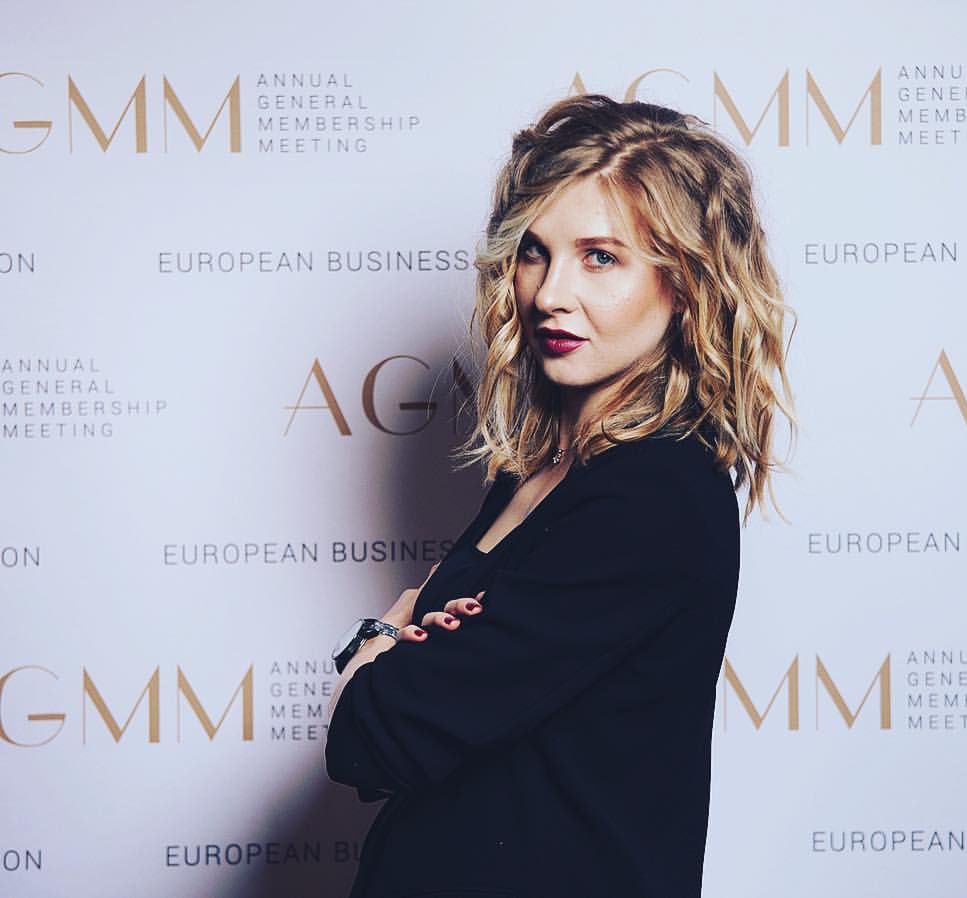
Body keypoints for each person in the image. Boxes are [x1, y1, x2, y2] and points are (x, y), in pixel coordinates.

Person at [325, 92, 796, 898]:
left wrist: (372, 652)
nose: (548, 294)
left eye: (600, 257)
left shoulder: (655, 496)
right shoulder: (544, 472)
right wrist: (391, 673)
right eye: (536, 252)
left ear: (684, 284)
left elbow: (376, 737)